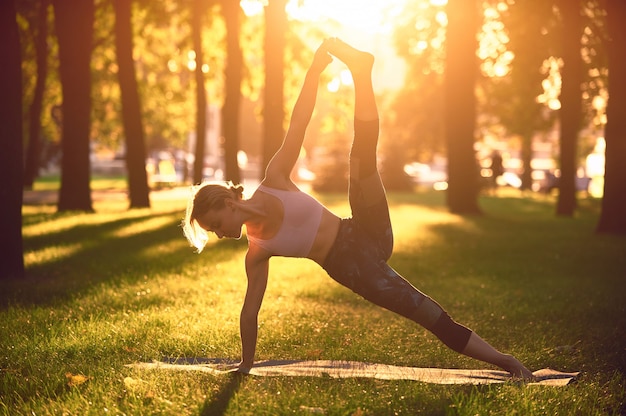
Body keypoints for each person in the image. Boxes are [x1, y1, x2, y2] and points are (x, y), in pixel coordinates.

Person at [183, 38, 534, 379]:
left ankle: (361, 70)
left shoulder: (274, 178)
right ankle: (507, 361)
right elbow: (250, 311)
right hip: (353, 267)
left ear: (229, 204)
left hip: (365, 229)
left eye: (215, 224)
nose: (219, 233)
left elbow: (299, 122)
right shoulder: (257, 253)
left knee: (360, 159)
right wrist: (246, 363)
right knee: (428, 314)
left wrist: (314, 70)